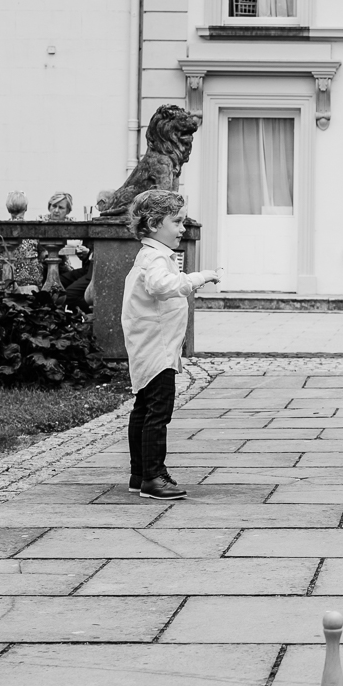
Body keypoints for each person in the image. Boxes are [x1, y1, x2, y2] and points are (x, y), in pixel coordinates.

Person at [122, 189, 222, 499]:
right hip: (157, 347)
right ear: (153, 223)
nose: (182, 229)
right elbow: (160, 286)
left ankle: (141, 473)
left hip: (153, 344)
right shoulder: (155, 257)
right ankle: (152, 476)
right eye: (177, 222)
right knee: (158, 412)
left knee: (143, 408)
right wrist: (197, 278)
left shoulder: (152, 254)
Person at [0, 191, 44, 291]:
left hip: (6, 278)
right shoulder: (33, 230)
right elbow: (42, 253)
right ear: (26, 207)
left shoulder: (1, 230)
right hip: (31, 280)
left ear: (7, 208)